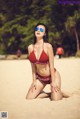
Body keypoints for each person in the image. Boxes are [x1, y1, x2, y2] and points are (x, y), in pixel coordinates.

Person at [26, 23, 69, 101]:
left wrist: (53, 82)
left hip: (52, 76)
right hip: (41, 78)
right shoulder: (30, 48)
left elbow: (52, 66)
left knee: (55, 100)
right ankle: (51, 93)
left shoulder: (48, 46)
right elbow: (33, 67)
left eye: (41, 30)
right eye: (37, 29)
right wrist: (34, 81)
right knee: (29, 98)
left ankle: (57, 92)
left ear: (44, 33)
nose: (38, 31)